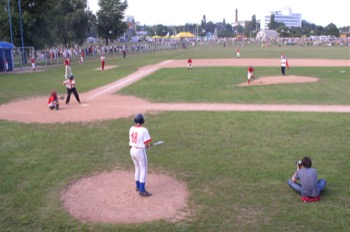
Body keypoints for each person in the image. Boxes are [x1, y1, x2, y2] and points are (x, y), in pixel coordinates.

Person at [129, 113, 152, 197]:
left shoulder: (131, 128)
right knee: (143, 170)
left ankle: (138, 186)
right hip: (140, 152)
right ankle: (142, 191)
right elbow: (146, 144)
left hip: (132, 150)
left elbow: (131, 140)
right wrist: (148, 146)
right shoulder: (144, 130)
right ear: (142, 120)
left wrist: (146, 146)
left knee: (137, 167)